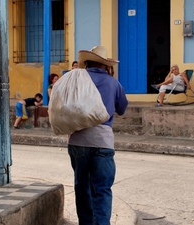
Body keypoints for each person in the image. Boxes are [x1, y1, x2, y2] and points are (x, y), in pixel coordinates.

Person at [68, 45, 128, 224]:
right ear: (106, 65)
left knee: (82, 187)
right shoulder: (113, 82)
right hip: (102, 141)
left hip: (78, 140)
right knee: (101, 189)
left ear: (86, 63)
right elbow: (122, 108)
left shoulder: (77, 80)